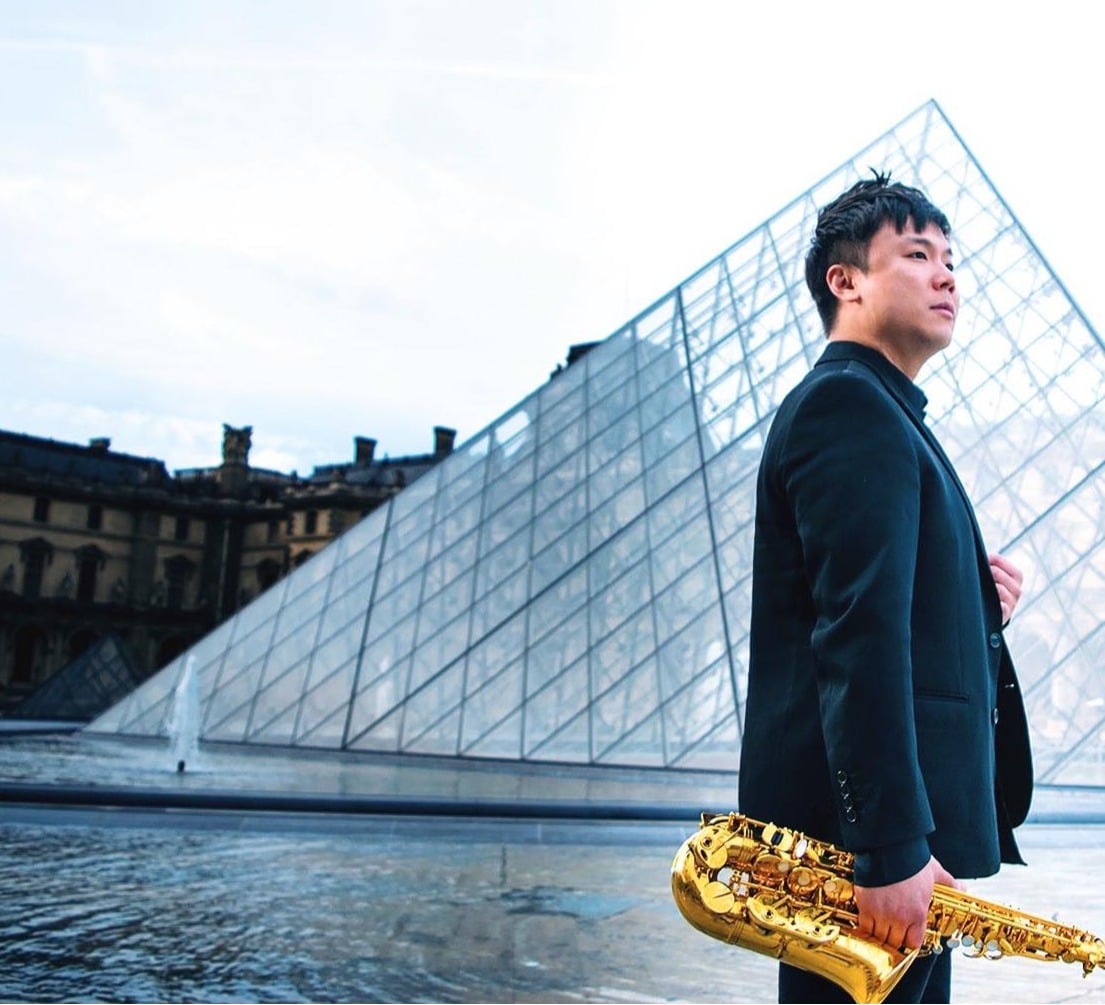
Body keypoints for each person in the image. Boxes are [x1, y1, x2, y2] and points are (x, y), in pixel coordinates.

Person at [737, 172, 1034, 1004]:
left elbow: (877, 613)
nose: (947, 276)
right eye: (916, 255)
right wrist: (888, 846)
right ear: (846, 281)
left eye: (951, 260)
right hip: (872, 854)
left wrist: (971, 601)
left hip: (900, 846)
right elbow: (854, 639)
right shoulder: (849, 405)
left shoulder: (885, 410)